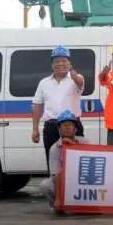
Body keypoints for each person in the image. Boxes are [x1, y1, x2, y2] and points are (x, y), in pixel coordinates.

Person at [32, 45, 85, 173]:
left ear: (69, 63)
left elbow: (80, 82)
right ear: (52, 64)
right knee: (53, 163)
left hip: (72, 126)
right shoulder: (44, 82)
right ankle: (55, 185)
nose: (60, 64)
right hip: (51, 126)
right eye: (57, 61)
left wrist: (73, 74)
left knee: (75, 163)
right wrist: (35, 129)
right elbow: (37, 105)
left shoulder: (76, 79)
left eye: (64, 61)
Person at [38, 110, 89, 212]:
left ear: (75, 129)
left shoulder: (84, 142)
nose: (67, 128)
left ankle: (86, 205)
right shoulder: (54, 148)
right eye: (64, 125)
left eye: (70, 125)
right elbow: (56, 175)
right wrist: (58, 199)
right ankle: (58, 206)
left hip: (82, 181)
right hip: (63, 182)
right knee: (45, 185)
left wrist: (73, 146)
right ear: (59, 129)